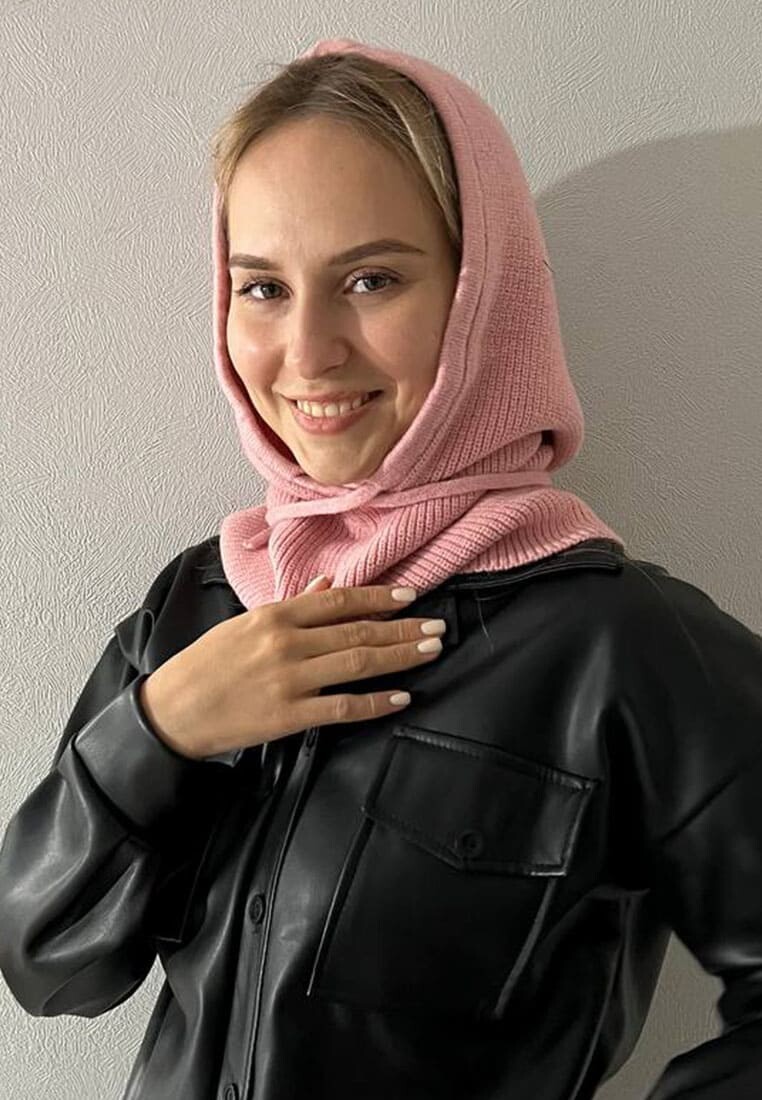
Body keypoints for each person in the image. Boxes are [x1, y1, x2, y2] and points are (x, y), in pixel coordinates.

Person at [1, 35, 761, 1100]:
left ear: (482, 293)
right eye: (263, 287)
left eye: (371, 278)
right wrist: (159, 731)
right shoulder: (196, 607)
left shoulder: (617, 646)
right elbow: (47, 968)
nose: (308, 352)